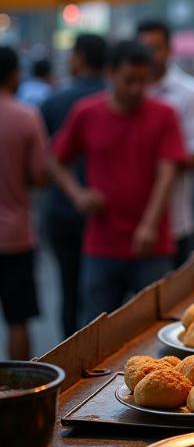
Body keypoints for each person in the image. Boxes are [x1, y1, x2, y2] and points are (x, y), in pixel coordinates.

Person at [50, 41, 185, 323]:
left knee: (154, 327)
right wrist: (78, 195)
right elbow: (55, 159)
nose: (137, 89)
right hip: (102, 244)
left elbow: (168, 171)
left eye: (143, 81)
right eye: (129, 81)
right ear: (110, 73)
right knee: (95, 329)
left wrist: (149, 224)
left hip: (152, 245)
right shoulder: (86, 112)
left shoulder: (165, 114)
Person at [40, 34, 108, 337]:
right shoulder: (114, 100)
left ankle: (69, 353)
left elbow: (46, 157)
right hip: (106, 212)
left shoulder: (54, 101)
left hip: (63, 210)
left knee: (69, 288)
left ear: (80, 57)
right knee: (103, 297)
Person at [137, 20, 194, 267]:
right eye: (143, 48)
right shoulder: (128, 91)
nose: (150, 55)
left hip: (174, 219)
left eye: (155, 48)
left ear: (169, 49)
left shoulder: (190, 92)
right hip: (125, 223)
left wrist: (160, 162)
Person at [0, 47, 48, 359]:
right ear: (15, 74)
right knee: (18, 320)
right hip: (15, 236)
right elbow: (40, 175)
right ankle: (17, 395)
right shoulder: (26, 116)